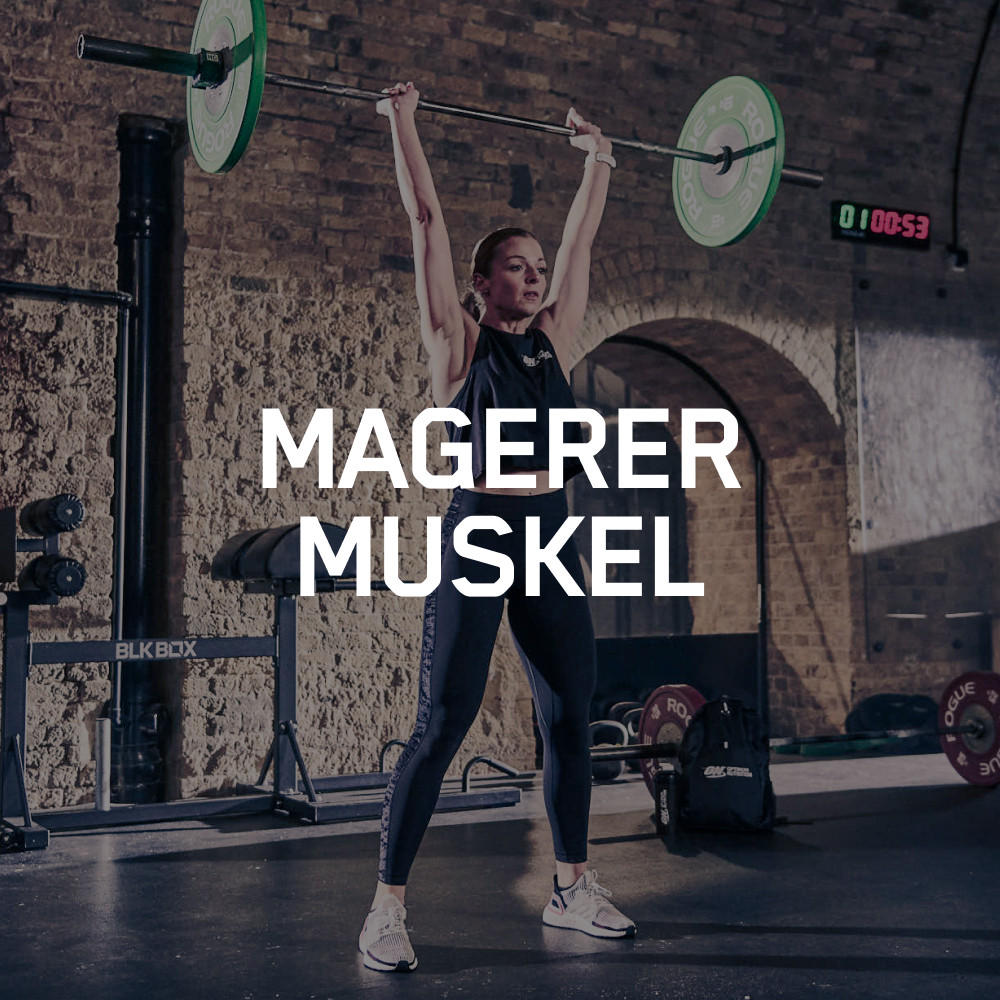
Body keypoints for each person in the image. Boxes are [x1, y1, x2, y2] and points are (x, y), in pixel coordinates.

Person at [358, 81, 635, 974]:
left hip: (550, 531)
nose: (536, 274)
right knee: (443, 721)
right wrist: (404, 122)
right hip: (481, 529)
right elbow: (427, 222)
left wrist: (598, 162)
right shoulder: (460, 346)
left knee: (569, 714)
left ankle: (571, 886)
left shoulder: (553, 340)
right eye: (517, 265)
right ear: (482, 284)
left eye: (537, 266)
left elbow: (583, 240)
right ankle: (386, 908)